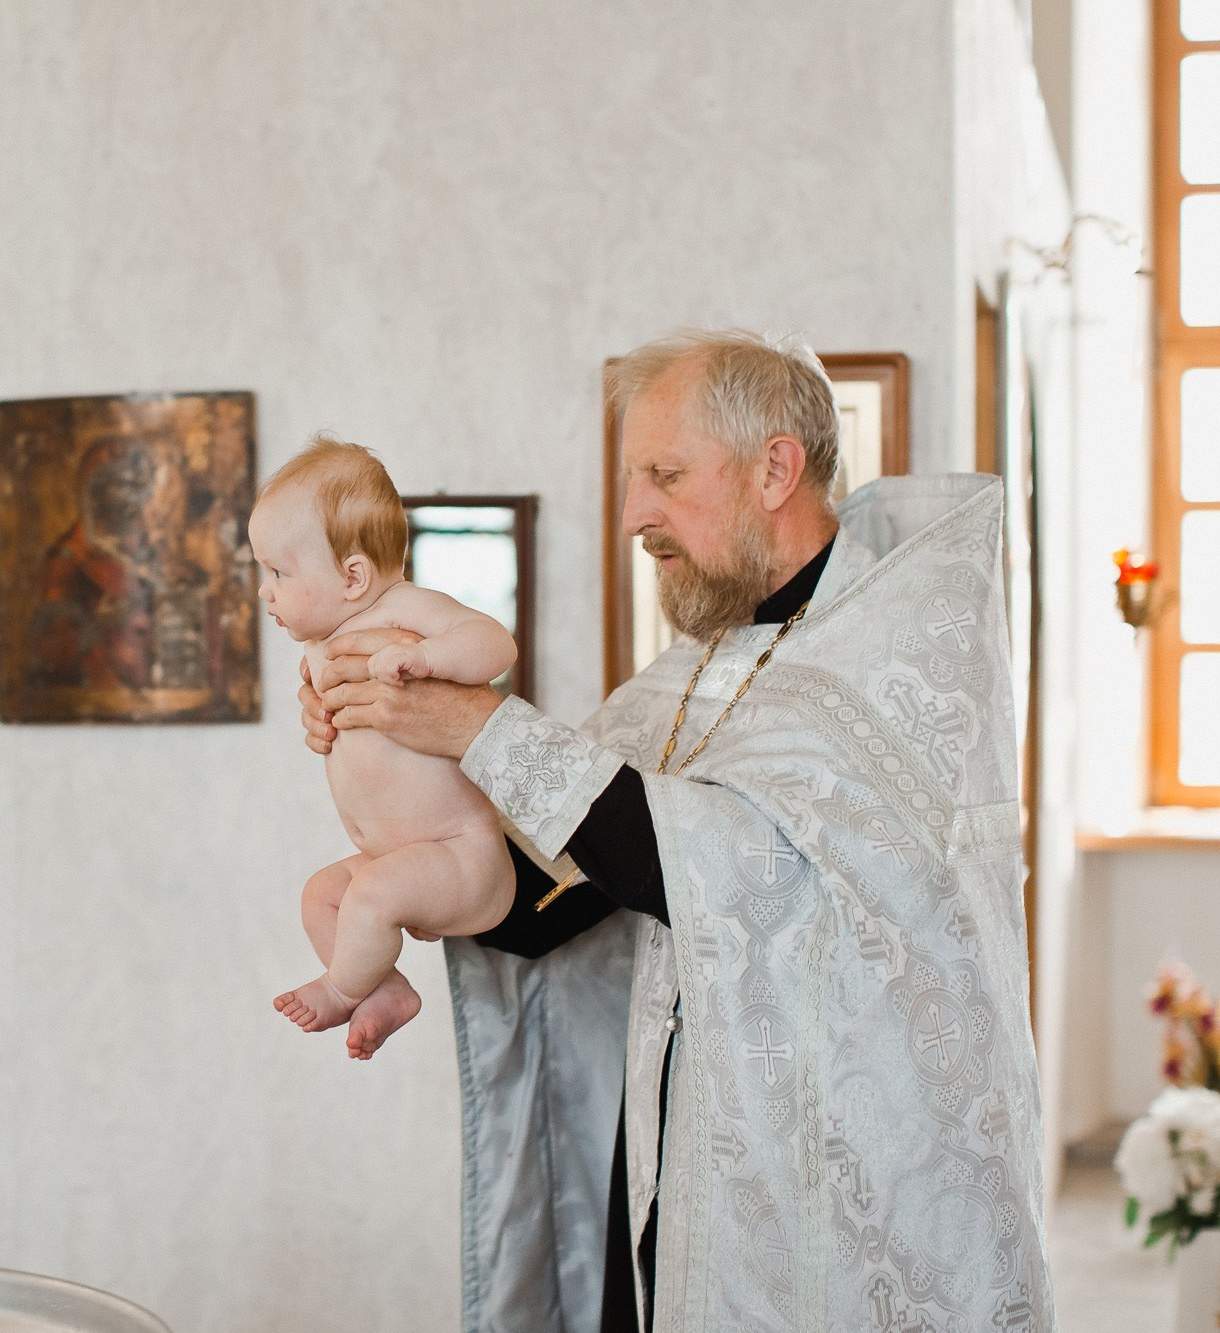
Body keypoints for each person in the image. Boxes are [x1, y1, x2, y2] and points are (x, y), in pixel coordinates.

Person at [303, 330, 1053, 1330]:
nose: (632, 516)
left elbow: (740, 872)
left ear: (774, 469)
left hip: (846, 1198)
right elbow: (551, 904)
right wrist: (399, 774)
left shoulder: (893, 658)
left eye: (664, 476)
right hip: (681, 1169)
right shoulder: (691, 675)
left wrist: (481, 728)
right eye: (632, 480)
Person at [253, 434, 518, 1060]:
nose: (264, 590)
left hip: (461, 854)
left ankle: (342, 989)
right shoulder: (320, 648)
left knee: (371, 896)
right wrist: (319, 715)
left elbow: (494, 643)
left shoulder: (402, 609)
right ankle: (386, 989)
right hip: (394, 858)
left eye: (278, 572)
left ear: (352, 576)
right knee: (321, 897)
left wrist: (430, 658)